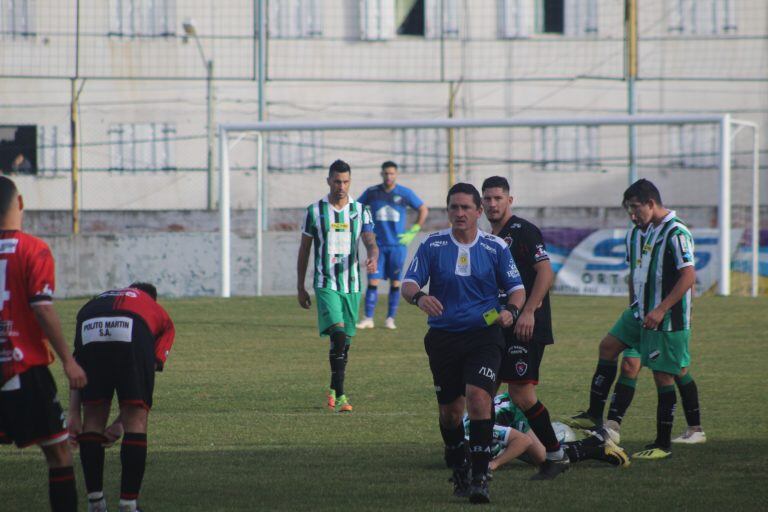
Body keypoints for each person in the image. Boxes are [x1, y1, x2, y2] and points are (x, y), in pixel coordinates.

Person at [402, 182, 526, 504]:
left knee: (478, 397)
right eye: (453, 208)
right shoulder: (432, 244)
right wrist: (420, 297)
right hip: (443, 338)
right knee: (451, 414)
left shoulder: (495, 247)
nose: (459, 213)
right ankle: (458, 465)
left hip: (484, 335)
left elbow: (517, 288)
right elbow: (408, 283)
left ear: (478, 211)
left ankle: (480, 477)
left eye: (465, 208)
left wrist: (511, 311)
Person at [564, 179, 699, 460]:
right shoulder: (640, 232)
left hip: (666, 319)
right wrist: (635, 306)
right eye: (629, 210)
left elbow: (688, 276)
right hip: (640, 313)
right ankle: (594, 415)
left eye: (636, 208)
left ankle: (663, 444)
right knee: (608, 347)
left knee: (666, 374)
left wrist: (661, 309)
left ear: (651, 203)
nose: (632, 215)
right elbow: (637, 274)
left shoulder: (676, 232)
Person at [0, 175, 87, 512]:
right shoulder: (33, 249)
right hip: (22, 367)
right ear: (19, 203)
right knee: (59, 453)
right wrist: (68, 360)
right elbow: (41, 306)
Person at [480, 176, 569, 480]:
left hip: (526, 327)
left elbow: (545, 272)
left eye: (498, 198)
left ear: (509, 200)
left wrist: (529, 311)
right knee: (483, 390)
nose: (492, 204)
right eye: (487, 199)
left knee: (520, 394)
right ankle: (479, 452)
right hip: (502, 326)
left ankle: (555, 456)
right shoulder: (490, 237)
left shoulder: (523, 231)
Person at [67, 282, 176, 512]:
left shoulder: (97, 300)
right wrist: (121, 424)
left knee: (93, 420)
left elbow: (76, 364)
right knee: (137, 420)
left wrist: (74, 413)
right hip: (133, 327)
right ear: (152, 298)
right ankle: (128, 504)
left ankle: (95, 502)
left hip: (90, 323)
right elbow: (145, 375)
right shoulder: (155, 311)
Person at [297, 159, 378, 413]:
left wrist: (373, 256)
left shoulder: (361, 210)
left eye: (345, 181)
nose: (341, 186)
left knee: (343, 343)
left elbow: (370, 241)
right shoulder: (314, 212)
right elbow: (304, 250)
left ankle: (333, 386)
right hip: (325, 283)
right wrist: (300, 286)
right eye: (336, 181)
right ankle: (342, 396)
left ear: (349, 182)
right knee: (339, 335)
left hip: (352, 285)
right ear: (328, 181)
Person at [462, 393, 630, 472]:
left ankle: (597, 446)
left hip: (513, 410)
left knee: (543, 458)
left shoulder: (480, 432)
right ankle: (599, 442)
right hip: (501, 415)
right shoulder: (464, 441)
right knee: (533, 456)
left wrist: (495, 463)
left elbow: (523, 441)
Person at [356, 161, 428, 330]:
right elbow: (356, 207)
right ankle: (368, 318)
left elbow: (423, 209)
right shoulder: (372, 192)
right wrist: (363, 227)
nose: (389, 176)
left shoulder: (404, 193)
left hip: (397, 246)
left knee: (395, 283)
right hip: (377, 246)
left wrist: (414, 230)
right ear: (381, 174)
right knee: (372, 281)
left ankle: (390, 319)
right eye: (386, 173)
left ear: (396, 175)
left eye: (391, 173)